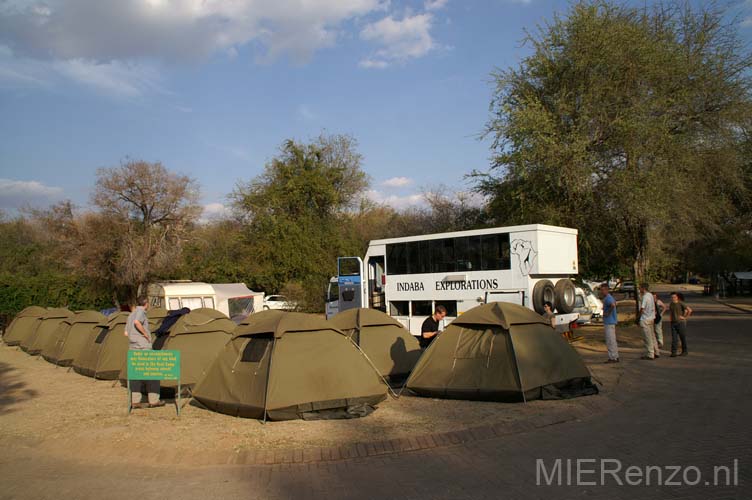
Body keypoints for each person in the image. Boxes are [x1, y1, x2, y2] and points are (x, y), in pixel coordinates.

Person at [126, 296, 165, 409]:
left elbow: (126, 332)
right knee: (152, 372)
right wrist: (145, 334)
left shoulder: (130, 314)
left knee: (136, 373)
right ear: (146, 303)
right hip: (143, 347)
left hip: (133, 347)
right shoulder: (140, 312)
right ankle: (154, 400)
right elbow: (137, 322)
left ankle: (135, 401)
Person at [669, 291, 692, 357]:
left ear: (677, 297)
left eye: (674, 297)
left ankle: (684, 351)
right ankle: (673, 352)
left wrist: (685, 317)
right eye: (672, 297)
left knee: (682, 337)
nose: (673, 298)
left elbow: (689, 310)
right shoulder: (671, 304)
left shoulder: (680, 303)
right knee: (674, 338)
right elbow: (671, 312)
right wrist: (670, 319)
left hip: (680, 323)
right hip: (673, 323)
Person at [600, 284, 619, 363]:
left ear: (606, 290)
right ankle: (615, 356)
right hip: (610, 322)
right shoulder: (608, 298)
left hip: (609, 322)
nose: (601, 291)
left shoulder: (608, 298)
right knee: (612, 340)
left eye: (603, 290)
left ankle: (612, 357)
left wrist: (607, 313)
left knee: (610, 340)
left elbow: (613, 305)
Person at [638, 283, 656, 360]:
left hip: (645, 318)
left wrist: (638, 317)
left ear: (643, 288)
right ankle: (656, 351)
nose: (639, 289)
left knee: (647, 337)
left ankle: (650, 354)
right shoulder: (650, 295)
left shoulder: (645, 297)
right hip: (651, 318)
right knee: (652, 336)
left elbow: (642, 308)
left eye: (640, 288)